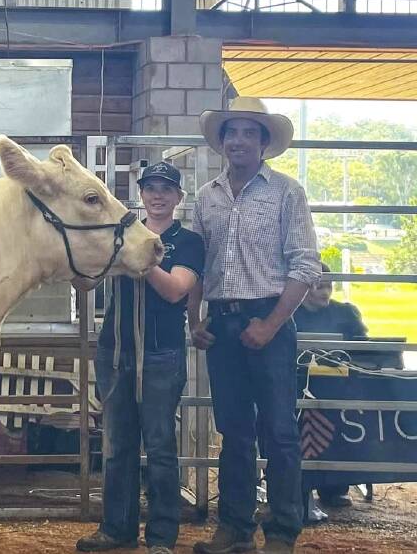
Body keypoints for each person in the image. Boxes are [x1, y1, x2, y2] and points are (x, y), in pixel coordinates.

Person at [190, 97, 322, 554]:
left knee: (280, 430)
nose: (239, 140)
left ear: (265, 143)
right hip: (223, 324)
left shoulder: (287, 192)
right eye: (232, 132)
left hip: (271, 318)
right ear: (222, 141)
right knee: (233, 430)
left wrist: (270, 323)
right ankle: (235, 528)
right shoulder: (207, 196)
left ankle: (283, 530)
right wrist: (198, 319)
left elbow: (306, 265)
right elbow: (197, 265)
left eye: (250, 132)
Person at [76, 162, 205, 554]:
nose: (158, 195)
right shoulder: (124, 233)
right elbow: (87, 278)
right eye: (151, 188)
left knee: (161, 447)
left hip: (161, 355)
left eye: (166, 188)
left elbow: (175, 290)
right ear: (141, 193)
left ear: (179, 197)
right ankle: (117, 529)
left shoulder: (188, 242)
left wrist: (139, 257)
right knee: (116, 446)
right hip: (114, 353)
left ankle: (162, 536)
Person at [293, 262, 369, 509]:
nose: (325, 292)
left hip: (339, 388)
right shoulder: (288, 315)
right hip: (297, 387)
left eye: (329, 286)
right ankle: (299, 484)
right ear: (304, 288)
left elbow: (367, 350)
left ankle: (336, 486)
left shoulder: (346, 313)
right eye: (319, 287)